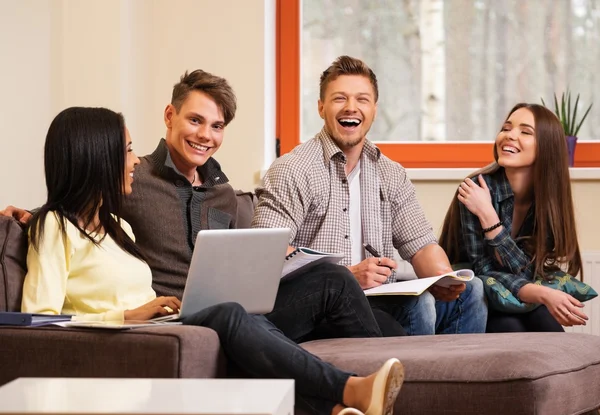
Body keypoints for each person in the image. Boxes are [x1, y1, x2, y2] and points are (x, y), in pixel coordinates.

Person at [20, 106, 404, 415]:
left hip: (168, 323)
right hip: (135, 338)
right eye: (126, 150)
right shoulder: (54, 227)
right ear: (96, 158)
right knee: (230, 313)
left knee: (324, 281)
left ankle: (341, 402)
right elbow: (35, 323)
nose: (134, 160)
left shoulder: (119, 227)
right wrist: (126, 317)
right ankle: (350, 388)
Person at [1, 69, 402, 342]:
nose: (205, 135)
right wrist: (30, 216)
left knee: (386, 316)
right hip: (185, 319)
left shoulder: (224, 193)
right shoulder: (133, 179)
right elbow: (78, 204)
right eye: (195, 121)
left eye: (217, 126)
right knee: (338, 288)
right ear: (169, 116)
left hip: (235, 309)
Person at [251, 55, 487, 336]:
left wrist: (445, 278)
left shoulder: (390, 173)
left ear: (374, 109)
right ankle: (417, 379)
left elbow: (422, 245)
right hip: (326, 304)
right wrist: (348, 276)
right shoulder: (293, 169)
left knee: (473, 291)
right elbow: (265, 253)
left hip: (381, 297)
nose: (351, 107)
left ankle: (456, 378)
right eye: (340, 98)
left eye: (362, 99)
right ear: (321, 107)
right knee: (419, 305)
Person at [438, 103, 588, 332]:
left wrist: (492, 223)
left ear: (547, 147)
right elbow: (482, 270)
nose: (510, 136)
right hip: (472, 299)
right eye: (507, 128)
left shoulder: (548, 201)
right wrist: (488, 215)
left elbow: (528, 270)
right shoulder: (474, 190)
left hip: (518, 292)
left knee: (550, 330)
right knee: (511, 328)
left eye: (525, 132)